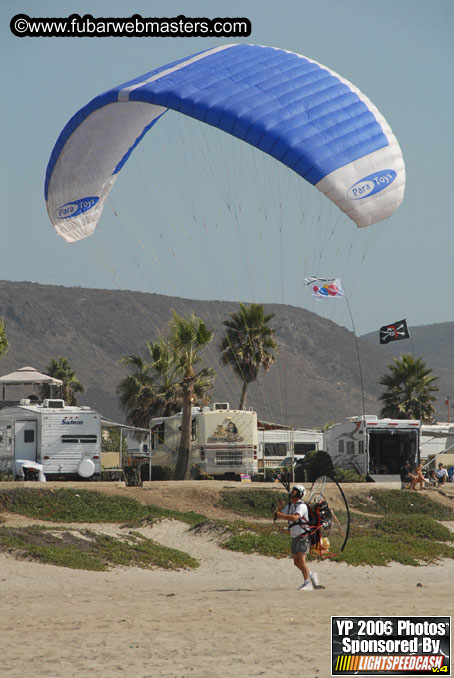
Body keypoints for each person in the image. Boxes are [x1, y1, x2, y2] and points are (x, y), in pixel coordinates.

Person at [273, 485, 319, 591]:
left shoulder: (302, 506)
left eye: (295, 491)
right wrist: (279, 508)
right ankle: (311, 574)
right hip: (294, 535)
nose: (292, 492)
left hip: (303, 535)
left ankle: (307, 583)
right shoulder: (290, 506)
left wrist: (280, 514)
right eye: (292, 491)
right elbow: (277, 514)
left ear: (300, 493)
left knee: (301, 559)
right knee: (296, 562)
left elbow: (295, 518)